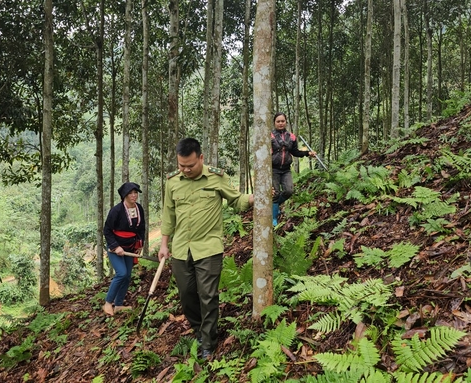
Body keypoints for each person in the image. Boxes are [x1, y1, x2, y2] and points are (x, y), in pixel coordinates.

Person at [158, 138, 253, 360]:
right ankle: (200, 329)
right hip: (181, 248)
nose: (186, 169)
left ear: (201, 158)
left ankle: (208, 343)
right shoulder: (173, 182)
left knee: (208, 295)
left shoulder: (217, 177)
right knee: (186, 294)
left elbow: (236, 200)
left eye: (190, 165)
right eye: (182, 165)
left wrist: (253, 198)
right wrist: (164, 244)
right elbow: (168, 215)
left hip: (209, 247)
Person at [102, 182, 146, 316]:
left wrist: (140, 245)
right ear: (124, 196)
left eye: (135, 193)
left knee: (127, 276)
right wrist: (115, 246)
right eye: (130, 193)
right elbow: (107, 230)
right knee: (121, 273)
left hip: (130, 248)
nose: (134, 196)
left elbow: (141, 228)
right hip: (115, 248)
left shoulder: (139, 208)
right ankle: (108, 303)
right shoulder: (116, 210)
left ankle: (119, 305)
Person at [271, 112, 316, 225]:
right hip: (273, 169)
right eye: (278, 121)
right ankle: (274, 218)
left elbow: (295, 152)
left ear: (286, 122)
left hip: (286, 169)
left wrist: (307, 153)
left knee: (289, 191)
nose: (281, 123)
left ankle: (274, 206)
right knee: (275, 193)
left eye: (283, 121)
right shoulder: (270, 136)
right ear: (274, 123)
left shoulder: (291, 137)